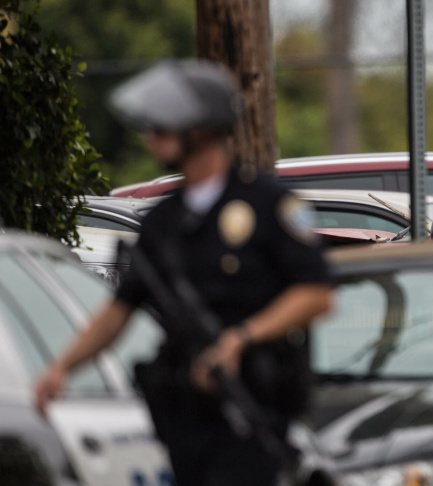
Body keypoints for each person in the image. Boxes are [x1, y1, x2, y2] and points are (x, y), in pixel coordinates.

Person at [34, 59, 333, 486]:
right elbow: (120, 309)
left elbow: (317, 294)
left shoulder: (270, 205)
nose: (150, 137)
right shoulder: (163, 221)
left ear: (201, 130)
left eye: (162, 128)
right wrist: (62, 367)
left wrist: (242, 338)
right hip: (186, 416)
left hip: (252, 411)